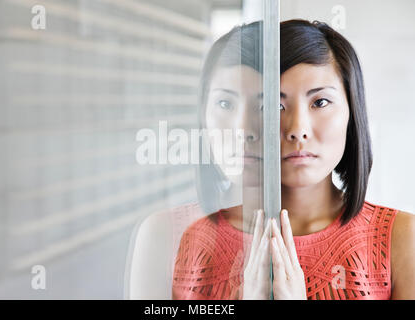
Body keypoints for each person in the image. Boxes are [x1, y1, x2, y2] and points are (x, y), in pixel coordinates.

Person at [169, 19, 415, 300]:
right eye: (275, 105)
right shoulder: (181, 240)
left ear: (352, 111)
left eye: (320, 102)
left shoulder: (401, 240)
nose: (298, 129)